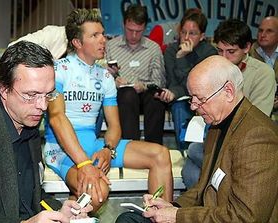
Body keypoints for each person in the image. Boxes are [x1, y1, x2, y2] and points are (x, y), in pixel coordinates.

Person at [116, 55, 278, 223]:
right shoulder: (217, 124)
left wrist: (177, 216)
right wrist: (173, 207)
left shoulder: (257, 136)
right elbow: (202, 188)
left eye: (200, 99)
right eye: (192, 98)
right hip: (211, 216)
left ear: (228, 92)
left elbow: (245, 218)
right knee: (129, 219)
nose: (193, 106)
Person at [44, 8, 173, 213]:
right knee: (98, 194)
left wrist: (108, 149)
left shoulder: (105, 77)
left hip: (93, 145)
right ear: (77, 43)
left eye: (102, 34)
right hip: (61, 148)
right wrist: (84, 163)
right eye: (94, 35)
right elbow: (57, 119)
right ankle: (74, 207)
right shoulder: (58, 70)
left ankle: (164, 216)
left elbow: (114, 127)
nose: (103, 39)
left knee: (160, 154)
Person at [0, 41, 92, 222]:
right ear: (4, 89)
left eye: (48, 95)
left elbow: (30, 199)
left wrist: (60, 211)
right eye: (31, 95)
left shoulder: (29, 129)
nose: (43, 106)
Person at [181, 18, 277, 189]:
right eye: (220, 51)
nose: (224, 57)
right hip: (216, 136)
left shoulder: (263, 74)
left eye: (231, 51)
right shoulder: (213, 68)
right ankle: (207, 206)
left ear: (247, 48)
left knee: (195, 152)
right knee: (191, 169)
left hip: (245, 144)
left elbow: (258, 117)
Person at [106, 4, 166, 144]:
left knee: (156, 98)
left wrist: (144, 86)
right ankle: (130, 146)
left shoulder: (153, 48)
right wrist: (114, 81)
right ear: (123, 24)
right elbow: (104, 77)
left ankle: (154, 147)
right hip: (123, 95)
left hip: (146, 93)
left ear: (145, 28)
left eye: (138, 31)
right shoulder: (111, 46)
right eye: (130, 30)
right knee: (127, 94)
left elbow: (159, 82)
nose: (133, 35)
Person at [159, 8, 217, 152]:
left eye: (192, 33)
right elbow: (172, 82)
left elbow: (199, 86)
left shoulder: (209, 52)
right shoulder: (172, 51)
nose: (186, 38)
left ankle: (203, 152)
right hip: (180, 101)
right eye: (183, 32)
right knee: (180, 107)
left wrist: (182, 59)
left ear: (202, 36)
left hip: (205, 99)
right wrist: (180, 56)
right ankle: (184, 152)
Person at [250, 16, 278, 113]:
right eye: (260, 30)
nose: (263, 34)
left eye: (269, 31)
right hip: (255, 108)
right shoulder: (247, 53)